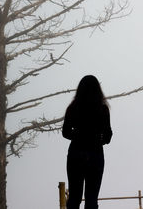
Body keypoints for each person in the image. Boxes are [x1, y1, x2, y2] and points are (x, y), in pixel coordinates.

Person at [62, 75, 112, 209]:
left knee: (74, 197)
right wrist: (97, 140)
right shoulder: (103, 109)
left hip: (75, 154)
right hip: (95, 154)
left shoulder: (73, 107)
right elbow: (108, 135)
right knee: (91, 199)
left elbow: (65, 132)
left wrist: (78, 136)